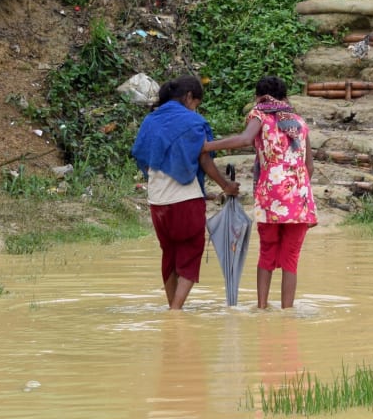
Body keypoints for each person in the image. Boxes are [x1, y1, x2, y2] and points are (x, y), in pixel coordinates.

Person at [205, 76, 317, 310]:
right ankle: (287, 312)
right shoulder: (299, 122)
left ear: (258, 97)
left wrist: (206, 146)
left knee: (267, 254)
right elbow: (310, 168)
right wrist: (296, 189)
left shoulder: (260, 116)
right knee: (291, 260)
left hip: (271, 197)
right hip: (299, 199)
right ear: (285, 97)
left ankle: (262, 308)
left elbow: (245, 139)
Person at [131, 76, 237, 310]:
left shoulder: (151, 120)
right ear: (190, 97)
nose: (195, 108)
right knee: (190, 253)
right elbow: (204, 160)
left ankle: (172, 305)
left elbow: (143, 154)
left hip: (157, 202)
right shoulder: (193, 122)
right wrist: (226, 187)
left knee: (169, 254)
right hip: (185, 202)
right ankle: (175, 311)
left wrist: (203, 192)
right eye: (196, 103)